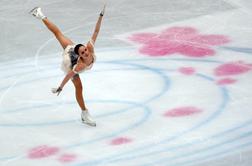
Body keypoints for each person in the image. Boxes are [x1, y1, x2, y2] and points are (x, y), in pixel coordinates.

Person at [30, 5, 106, 126]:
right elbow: (69, 75)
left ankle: (40, 14)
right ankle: (84, 114)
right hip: (70, 63)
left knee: (58, 33)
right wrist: (60, 87)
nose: (86, 52)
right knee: (79, 88)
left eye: (85, 50)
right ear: (79, 55)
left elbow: (96, 31)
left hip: (72, 48)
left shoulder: (89, 48)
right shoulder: (79, 66)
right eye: (83, 53)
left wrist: (100, 16)